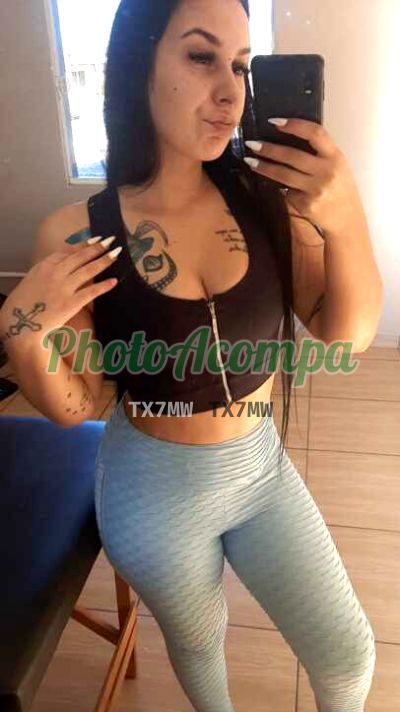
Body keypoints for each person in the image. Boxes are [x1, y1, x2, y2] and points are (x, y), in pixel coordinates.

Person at [0, 1, 378, 711]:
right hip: (151, 495)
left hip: (259, 471)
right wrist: (23, 335)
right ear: (139, 64)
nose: (231, 92)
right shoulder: (77, 232)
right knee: (202, 646)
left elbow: (343, 336)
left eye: (240, 65)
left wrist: (345, 215)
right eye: (202, 57)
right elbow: (80, 404)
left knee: (348, 655)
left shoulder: (266, 199)